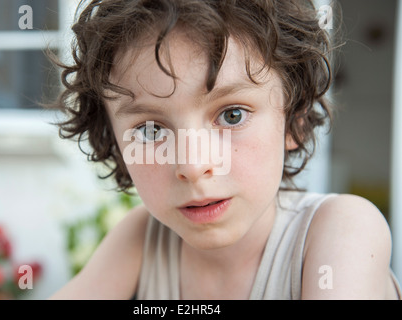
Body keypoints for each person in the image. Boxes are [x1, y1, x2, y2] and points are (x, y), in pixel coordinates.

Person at [48, 0, 401, 299]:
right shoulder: (142, 238)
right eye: (150, 129)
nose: (193, 164)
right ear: (114, 139)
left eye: (232, 115)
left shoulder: (341, 229)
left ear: (296, 120)